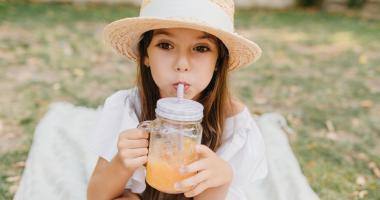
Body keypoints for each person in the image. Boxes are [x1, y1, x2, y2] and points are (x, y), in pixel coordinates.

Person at [87, 0, 268, 199]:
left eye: (201, 48)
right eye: (165, 45)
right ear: (144, 54)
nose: (182, 64)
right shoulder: (128, 108)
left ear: (219, 60)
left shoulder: (233, 124)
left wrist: (220, 181)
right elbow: (95, 196)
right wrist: (121, 163)